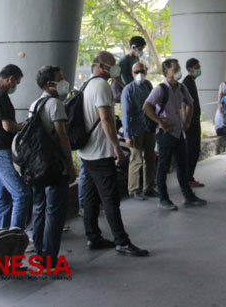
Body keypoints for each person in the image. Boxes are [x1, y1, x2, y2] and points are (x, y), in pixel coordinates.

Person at [79, 51, 148, 256]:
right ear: (100, 65)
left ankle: (93, 237)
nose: (115, 67)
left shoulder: (87, 85)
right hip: (100, 152)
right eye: (111, 64)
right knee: (110, 198)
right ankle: (122, 241)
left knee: (91, 198)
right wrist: (116, 148)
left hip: (87, 151)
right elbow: (106, 120)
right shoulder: (101, 86)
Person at [144, 58, 207, 211]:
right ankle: (164, 199)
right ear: (167, 72)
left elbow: (190, 103)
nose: (178, 71)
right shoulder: (160, 89)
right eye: (175, 69)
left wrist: (187, 122)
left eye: (178, 68)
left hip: (178, 133)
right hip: (165, 133)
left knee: (182, 165)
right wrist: (161, 122)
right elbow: (146, 107)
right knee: (163, 166)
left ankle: (188, 196)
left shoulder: (181, 87)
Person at [28, 66, 76, 260]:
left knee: (39, 208)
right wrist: (70, 165)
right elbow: (62, 136)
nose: (64, 82)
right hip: (53, 165)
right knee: (54, 212)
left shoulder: (34, 104)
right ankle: (50, 257)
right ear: (50, 84)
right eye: (60, 78)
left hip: (36, 165)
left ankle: (39, 251)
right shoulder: (55, 104)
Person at [0, 64, 30, 228]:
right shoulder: (0, 96)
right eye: (16, 83)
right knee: (21, 194)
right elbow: (8, 126)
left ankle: (1, 235)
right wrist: (22, 126)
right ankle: (15, 236)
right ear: (10, 79)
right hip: (2, 151)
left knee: (2, 199)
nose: (14, 87)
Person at [121, 62, 157, 200]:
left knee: (150, 158)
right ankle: (134, 189)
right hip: (135, 130)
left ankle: (149, 187)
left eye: (142, 71)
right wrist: (127, 135)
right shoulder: (128, 90)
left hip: (149, 127)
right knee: (136, 160)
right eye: (136, 72)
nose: (139, 74)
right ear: (132, 73)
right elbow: (125, 114)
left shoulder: (148, 85)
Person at [182, 58, 205, 188]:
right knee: (192, 150)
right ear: (190, 69)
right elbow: (186, 104)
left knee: (194, 150)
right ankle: (188, 178)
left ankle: (189, 177)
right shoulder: (187, 82)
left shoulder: (191, 81)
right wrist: (187, 122)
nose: (199, 69)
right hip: (191, 122)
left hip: (194, 120)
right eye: (197, 67)